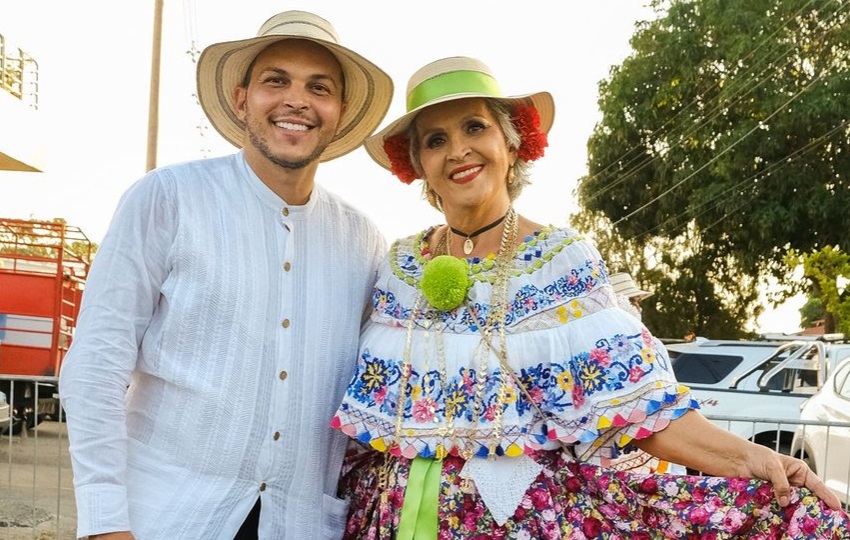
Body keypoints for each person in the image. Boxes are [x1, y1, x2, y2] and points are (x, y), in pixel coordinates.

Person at [330, 56, 850, 539]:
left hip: (518, 521)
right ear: (417, 164)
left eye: (475, 127)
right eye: (435, 139)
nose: (458, 150)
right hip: (390, 517)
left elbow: (641, 407)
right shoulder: (398, 268)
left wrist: (753, 459)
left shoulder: (561, 258)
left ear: (511, 144)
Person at [58, 10, 393, 540]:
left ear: (338, 112)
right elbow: (97, 363)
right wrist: (105, 522)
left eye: (319, 87)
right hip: (163, 517)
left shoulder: (364, 241)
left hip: (300, 522)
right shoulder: (167, 199)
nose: (297, 100)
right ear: (242, 100)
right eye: (275, 80)